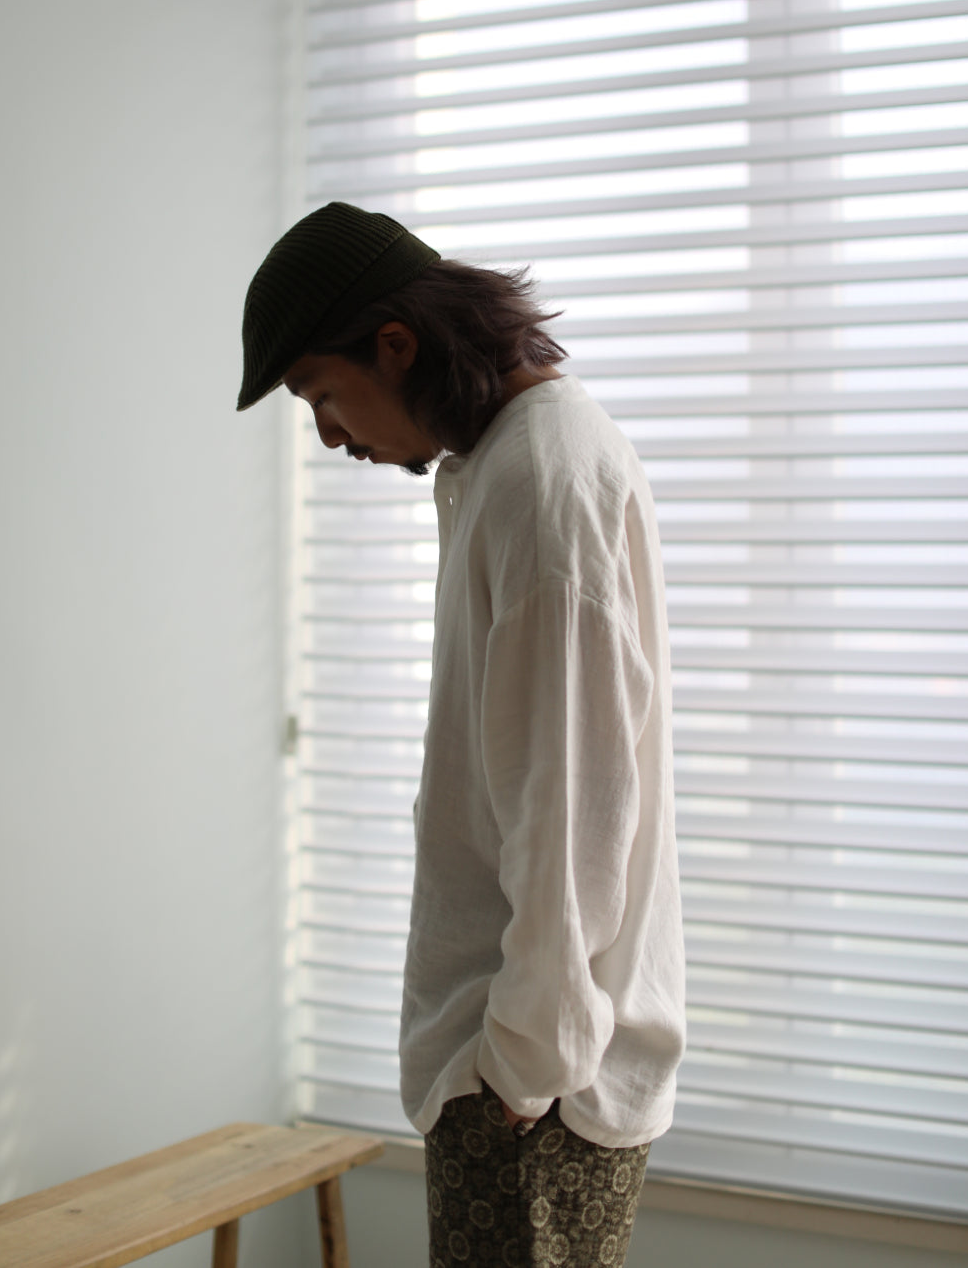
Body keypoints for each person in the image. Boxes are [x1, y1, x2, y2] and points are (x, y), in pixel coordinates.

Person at [239, 201, 686, 1268]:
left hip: (535, 1097)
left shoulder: (539, 484)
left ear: (395, 344)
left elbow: (571, 813)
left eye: (320, 393)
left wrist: (518, 1068)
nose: (329, 435)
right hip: (531, 1075)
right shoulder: (515, 464)